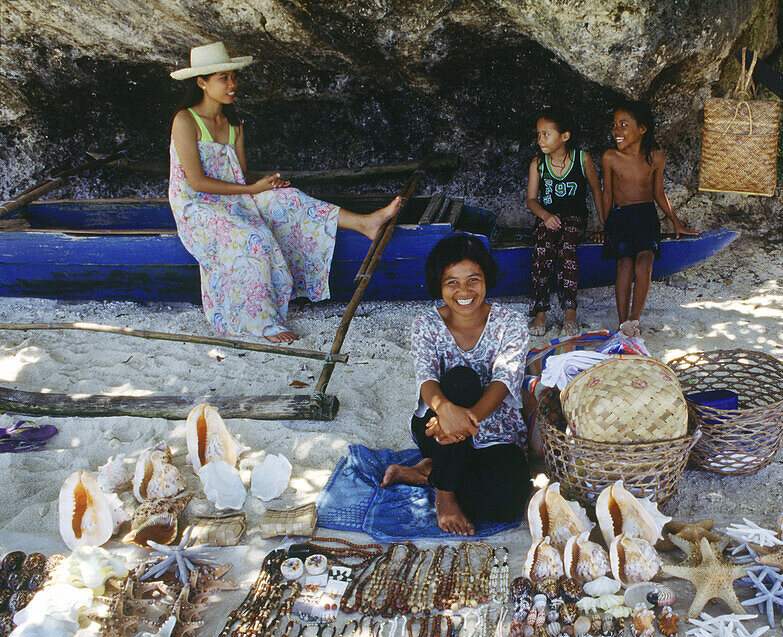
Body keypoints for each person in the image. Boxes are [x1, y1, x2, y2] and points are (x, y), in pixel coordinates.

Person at [168, 42, 400, 343]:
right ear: (202, 82)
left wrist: (265, 185)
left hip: (236, 197)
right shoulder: (185, 120)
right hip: (197, 207)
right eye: (223, 78)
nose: (232, 84)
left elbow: (242, 175)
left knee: (287, 200)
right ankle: (264, 322)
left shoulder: (233, 122)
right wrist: (252, 188)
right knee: (254, 238)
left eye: (233, 77)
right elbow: (197, 182)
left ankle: (364, 223)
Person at [382, 233, 531, 535]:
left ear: (486, 279)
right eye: (452, 282)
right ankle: (445, 495)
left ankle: (429, 473)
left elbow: (505, 380)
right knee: (462, 379)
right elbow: (426, 378)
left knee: (508, 503)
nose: (464, 291)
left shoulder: (510, 323)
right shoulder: (425, 324)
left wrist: (463, 422)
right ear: (439, 285)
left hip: (492, 428)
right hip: (436, 427)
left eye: (473, 280)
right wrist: (445, 411)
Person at [601, 101, 698, 336]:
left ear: (642, 129)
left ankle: (634, 321)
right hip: (620, 217)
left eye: (624, 125)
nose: (617, 131)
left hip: (646, 216)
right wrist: (606, 228)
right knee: (624, 265)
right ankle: (622, 322)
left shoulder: (655, 157)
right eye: (615, 125)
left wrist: (675, 221)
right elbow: (608, 195)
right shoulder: (610, 157)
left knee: (644, 264)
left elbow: (658, 193)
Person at [525, 107, 604, 338]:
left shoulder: (582, 158)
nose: (540, 139)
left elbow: (596, 189)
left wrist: (603, 223)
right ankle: (540, 312)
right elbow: (530, 200)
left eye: (546, 134)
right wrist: (545, 216)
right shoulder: (538, 164)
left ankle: (570, 312)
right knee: (542, 249)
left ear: (565, 136)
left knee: (567, 250)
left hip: (574, 219)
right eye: (538, 134)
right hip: (547, 218)